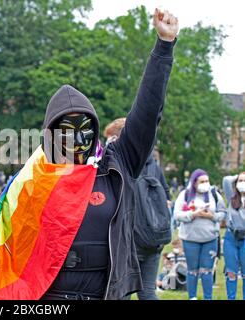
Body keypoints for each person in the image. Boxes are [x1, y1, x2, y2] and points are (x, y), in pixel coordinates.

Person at [38, 8, 178, 300]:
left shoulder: (116, 165)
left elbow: (147, 113)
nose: (78, 136)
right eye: (67, 127)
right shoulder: (33, 180)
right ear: (51, 133)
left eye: (84, 126)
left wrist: (163, 48)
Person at [104, 117, 172, 300]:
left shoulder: (120, 164)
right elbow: (167, 198)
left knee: (121, 292)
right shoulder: (153, 165)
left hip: (128, 241)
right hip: (153, 238)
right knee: (148, 292)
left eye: (110, 139)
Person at [173, 169, 226, 300]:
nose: (205, 183)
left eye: (207, 181)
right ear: (194, 182)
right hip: (190, 239)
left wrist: (211, 216)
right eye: (202, 181)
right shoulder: (185, 195)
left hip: (210, 238)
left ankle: (208, 297)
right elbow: (177, 215)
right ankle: (192, 297)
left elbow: (222, 212)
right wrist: (194, 214)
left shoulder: (214, 194)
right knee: (192, 271)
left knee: (207, 271)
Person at [222, 172, 245, 300]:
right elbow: (226, 179)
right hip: (231, 237)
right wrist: (238, 177)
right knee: (231, 272)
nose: (242, 184)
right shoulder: (232, 196)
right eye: (240, 181)